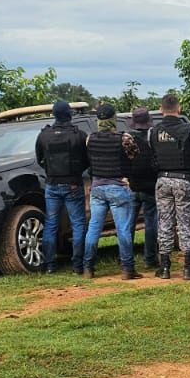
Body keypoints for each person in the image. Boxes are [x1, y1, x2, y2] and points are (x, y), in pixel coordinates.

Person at [81, 103, 140, 279]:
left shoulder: (89, 138)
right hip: (118, 187)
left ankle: (88, 268)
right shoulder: (124, 138)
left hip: (97, 187)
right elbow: (134, 156)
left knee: (93, 228)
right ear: (114, 118)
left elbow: (89, 159)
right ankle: (127, 269)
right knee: (123, 229)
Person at [148, 92, 190, 281]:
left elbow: (151, 154)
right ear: (179, 109)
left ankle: (164, 268)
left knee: (164, 222)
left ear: (161, 109)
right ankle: (189, 268)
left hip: (162, 180)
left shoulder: (153, 131)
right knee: (186, 223)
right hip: (184, 180)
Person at [35, 99, 88, 274]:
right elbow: (87, 160)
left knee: (51, 224)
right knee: (78, 223)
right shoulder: (78, 135)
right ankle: (77, 265)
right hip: (73, 183)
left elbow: (40, 159)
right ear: (69, 115)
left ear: (54, 115)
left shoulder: (44, 135)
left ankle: (50, 265)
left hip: (52, 184)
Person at [126, 105, 159, 270]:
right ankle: (150, 258)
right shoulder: (153, 139)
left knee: (128, 223)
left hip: (132, 186)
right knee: (151, 222)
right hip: (151, 187)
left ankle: (125, 257)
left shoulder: (127, 139)